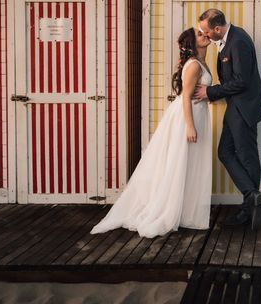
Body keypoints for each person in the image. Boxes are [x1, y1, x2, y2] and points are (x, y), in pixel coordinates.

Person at [91, 27, 213, 238]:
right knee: (178, 162)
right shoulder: (193, 65)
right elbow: (185, 97)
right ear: (193, 43)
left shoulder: (200, 62)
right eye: (200, 34)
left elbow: (198, 93)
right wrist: (190, 126)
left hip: (198, 113)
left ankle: (184, 210)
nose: (205, 35)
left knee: (190, 163)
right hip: (187, 117)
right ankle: (166, 210)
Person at [194, 9, 261, 230]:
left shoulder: (237, 42)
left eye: (206, 31)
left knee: (247, 157)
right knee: (225, 152)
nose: (205, 35)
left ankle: (249, 208)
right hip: (236, 107)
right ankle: (253, 196)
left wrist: (210, 92)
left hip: (244, 107)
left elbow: (241, 81)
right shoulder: (230, 39)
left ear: (217, 29)